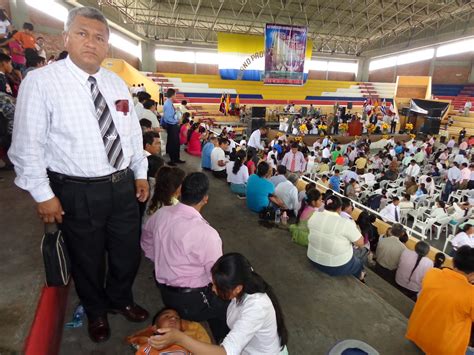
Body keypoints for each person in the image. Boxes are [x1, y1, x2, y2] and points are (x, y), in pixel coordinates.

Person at [8, 7, 150, 342]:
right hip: (76, 190)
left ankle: (120, 298)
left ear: (107, 46)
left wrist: (140, 174)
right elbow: (27, 146)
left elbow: (131, 136)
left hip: (122, 185)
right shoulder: (41, 82)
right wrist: (43, 195)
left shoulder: (116, 83)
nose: (92, 42)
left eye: (100, 37)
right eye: (83, 34)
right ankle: (96, 310)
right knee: (86, 256)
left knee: (126, 250)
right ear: (67, 37)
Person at [141, 172, 228, 341]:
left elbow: (146, 241)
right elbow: (216, 276)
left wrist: (160, 259)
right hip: (193, 300)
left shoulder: (161, 213)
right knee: (230, 303)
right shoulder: (207, 234)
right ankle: (223, 346)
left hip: (165, 292)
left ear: (180, 191)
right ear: (205, 198)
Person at [149, 253, 288, 355]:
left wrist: (180, 339)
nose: (212, 288)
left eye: (217, 286)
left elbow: (225, 352)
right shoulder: (242, 281)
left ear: (237, 289)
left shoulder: (257, 307)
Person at [406, 246, 474, 354]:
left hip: (417, 332)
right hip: (443, 348)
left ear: (453, 261)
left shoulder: (432, 273)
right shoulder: (471, 294)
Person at [307, 195, 366, 280]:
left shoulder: (315, 215)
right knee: (358, 262)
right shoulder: (345, 223)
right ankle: (361, 277)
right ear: (340, 208)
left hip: (312, 258)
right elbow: (361, 243)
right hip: (335, 267)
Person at [162, 88, 185, 166]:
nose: (176, 96)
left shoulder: (169, 103)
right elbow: (168, 118)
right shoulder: (168, 104)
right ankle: (172, 160)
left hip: (172, 125)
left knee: (175, 143)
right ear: (172, 95)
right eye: (175, 95)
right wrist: (177, 121)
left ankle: (176, 158)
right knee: (173, 143)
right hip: (172, 125)